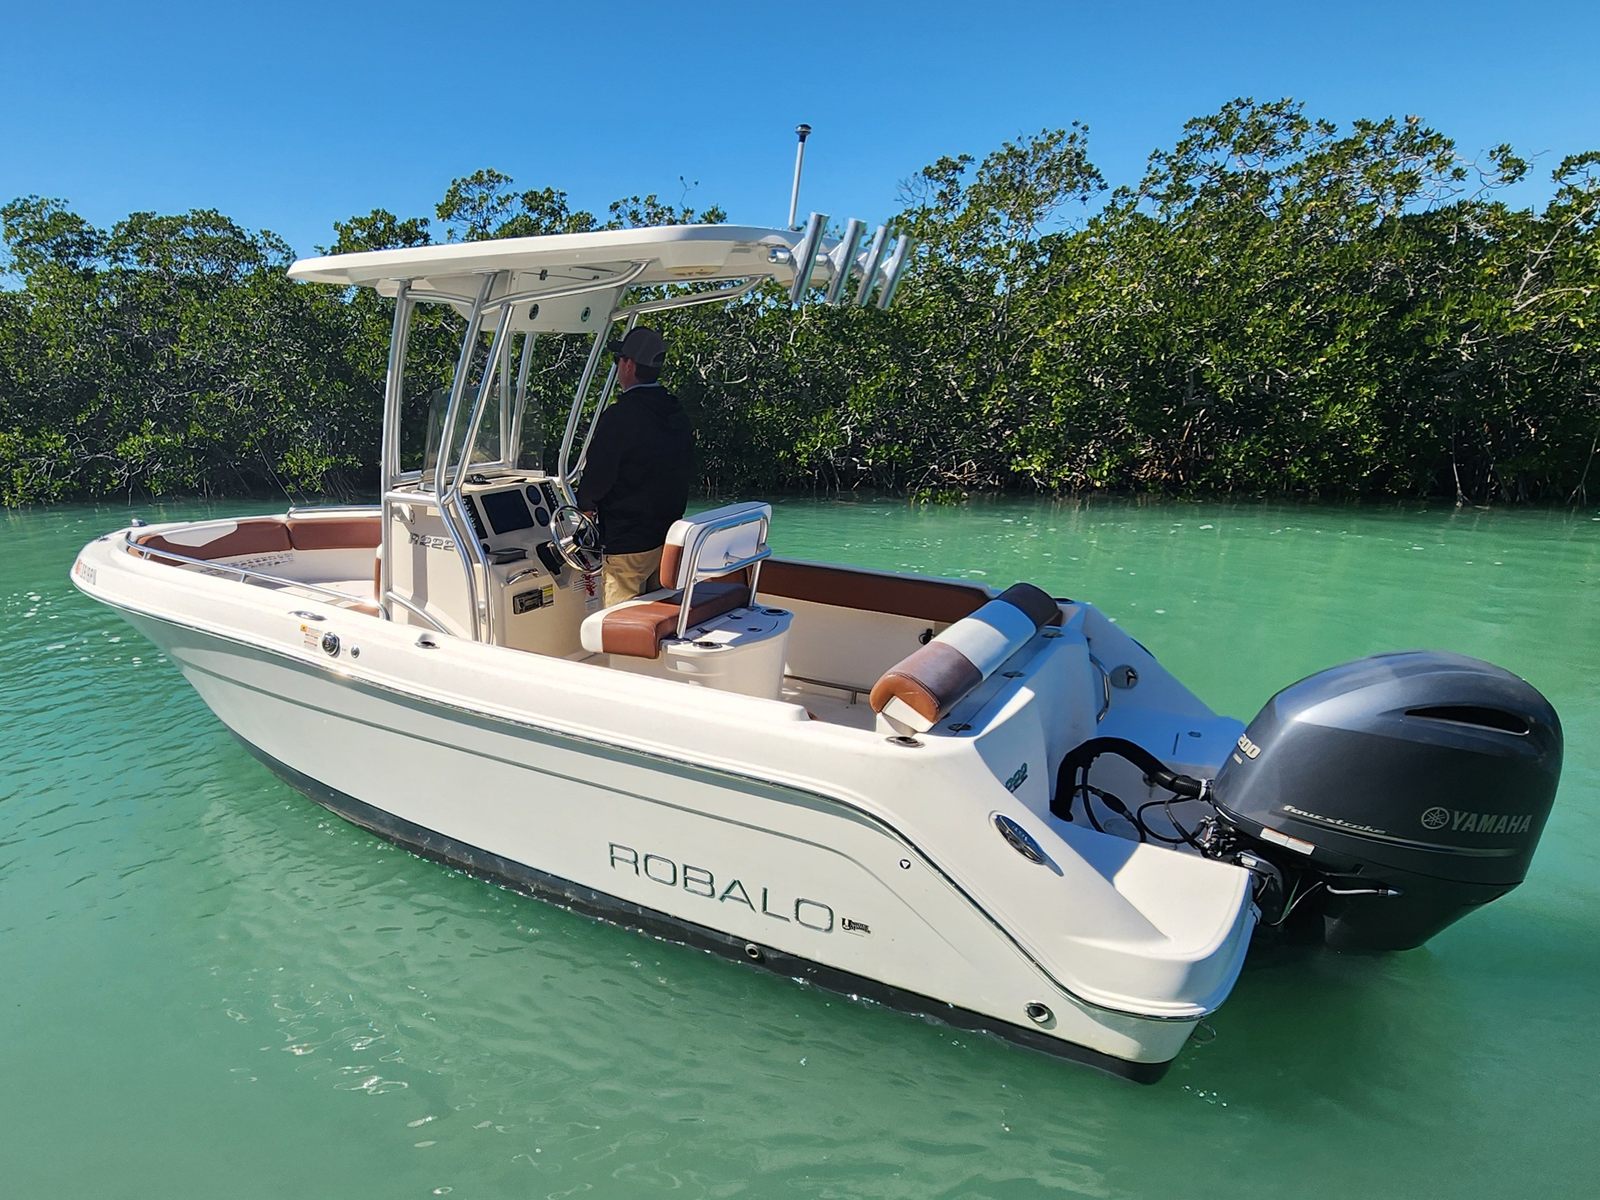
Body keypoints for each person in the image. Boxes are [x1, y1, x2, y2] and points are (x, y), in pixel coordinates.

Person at [577, 326, 695, 606]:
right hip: (667, 538)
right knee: (658, 612)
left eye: (617, 360)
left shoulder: (621, 416)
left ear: (628, 364)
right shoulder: (676, 412)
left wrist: (585, 507)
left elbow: (598, 477)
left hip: (627, 543)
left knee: (619, 620)